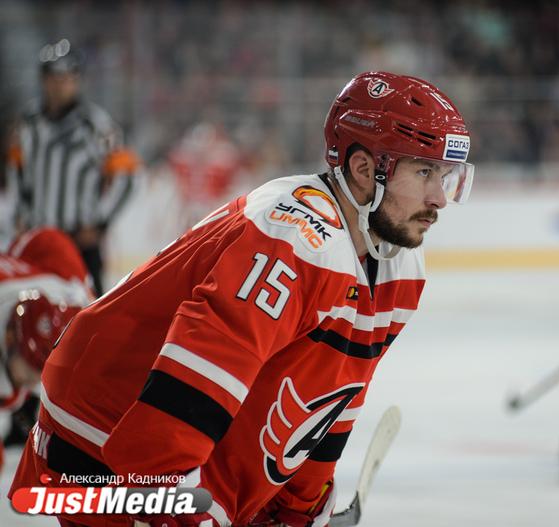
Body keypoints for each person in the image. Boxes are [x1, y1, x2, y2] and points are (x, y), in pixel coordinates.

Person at [9, 71, 474, 527]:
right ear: (363, 168)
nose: (440, 197)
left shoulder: (398, 266)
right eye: (425, 171)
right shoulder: (295, 236)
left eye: (446, 175)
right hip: (99, 415)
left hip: (153, 414)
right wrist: (176, 503)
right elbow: (196, 376)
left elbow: (328, 400)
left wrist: (299, 507)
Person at [5, 38, 139, 295]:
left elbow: (128, 176)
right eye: (54, 78)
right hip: (39, 240)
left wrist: (100, 223)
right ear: (43, 80)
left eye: (66, 77)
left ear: (77, 80)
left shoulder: (96, 125)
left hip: (79, 242)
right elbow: (17, 172)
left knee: (87, 318)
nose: (60, 85)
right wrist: (20, 216)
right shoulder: (28, 124)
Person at [0, 227, 93, 470]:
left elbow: (50, 241)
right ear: (12, 339)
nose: (33, 380)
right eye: (31, 368)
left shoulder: (70, 296)